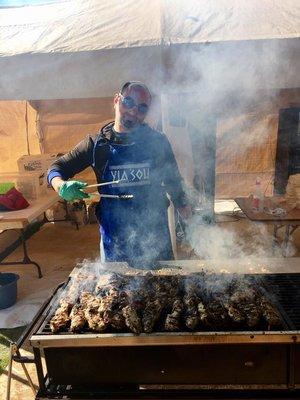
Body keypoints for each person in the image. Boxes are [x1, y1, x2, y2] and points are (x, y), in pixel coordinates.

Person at [48, 81, 189, 267]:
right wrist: (61, 185)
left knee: (163, 291)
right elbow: (56, 168)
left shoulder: (158, 142)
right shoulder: (95, 145)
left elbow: (174, 184)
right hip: (116, 239)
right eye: (128, 102)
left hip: (155, 236)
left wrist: (193, 225)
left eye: (142, 107)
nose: (133, 111)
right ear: (116, 100)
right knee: (117, 292)